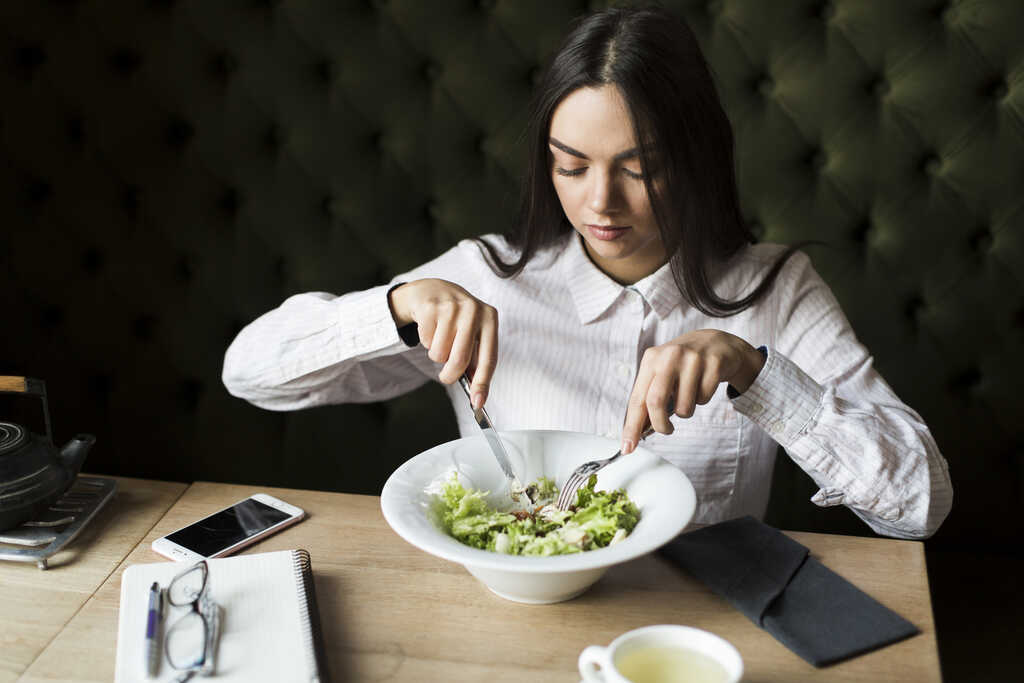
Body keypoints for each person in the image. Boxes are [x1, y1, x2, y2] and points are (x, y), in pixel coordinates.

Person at [222, 6, 951, 539]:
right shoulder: (487, 274)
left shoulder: (776, 288)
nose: (599, 202)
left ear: (693, 160)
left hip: (699, 627)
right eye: (571, 166)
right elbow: (248, 372)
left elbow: (922, 504)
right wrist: (399, 304)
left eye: (641, 169)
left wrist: (756, 372)